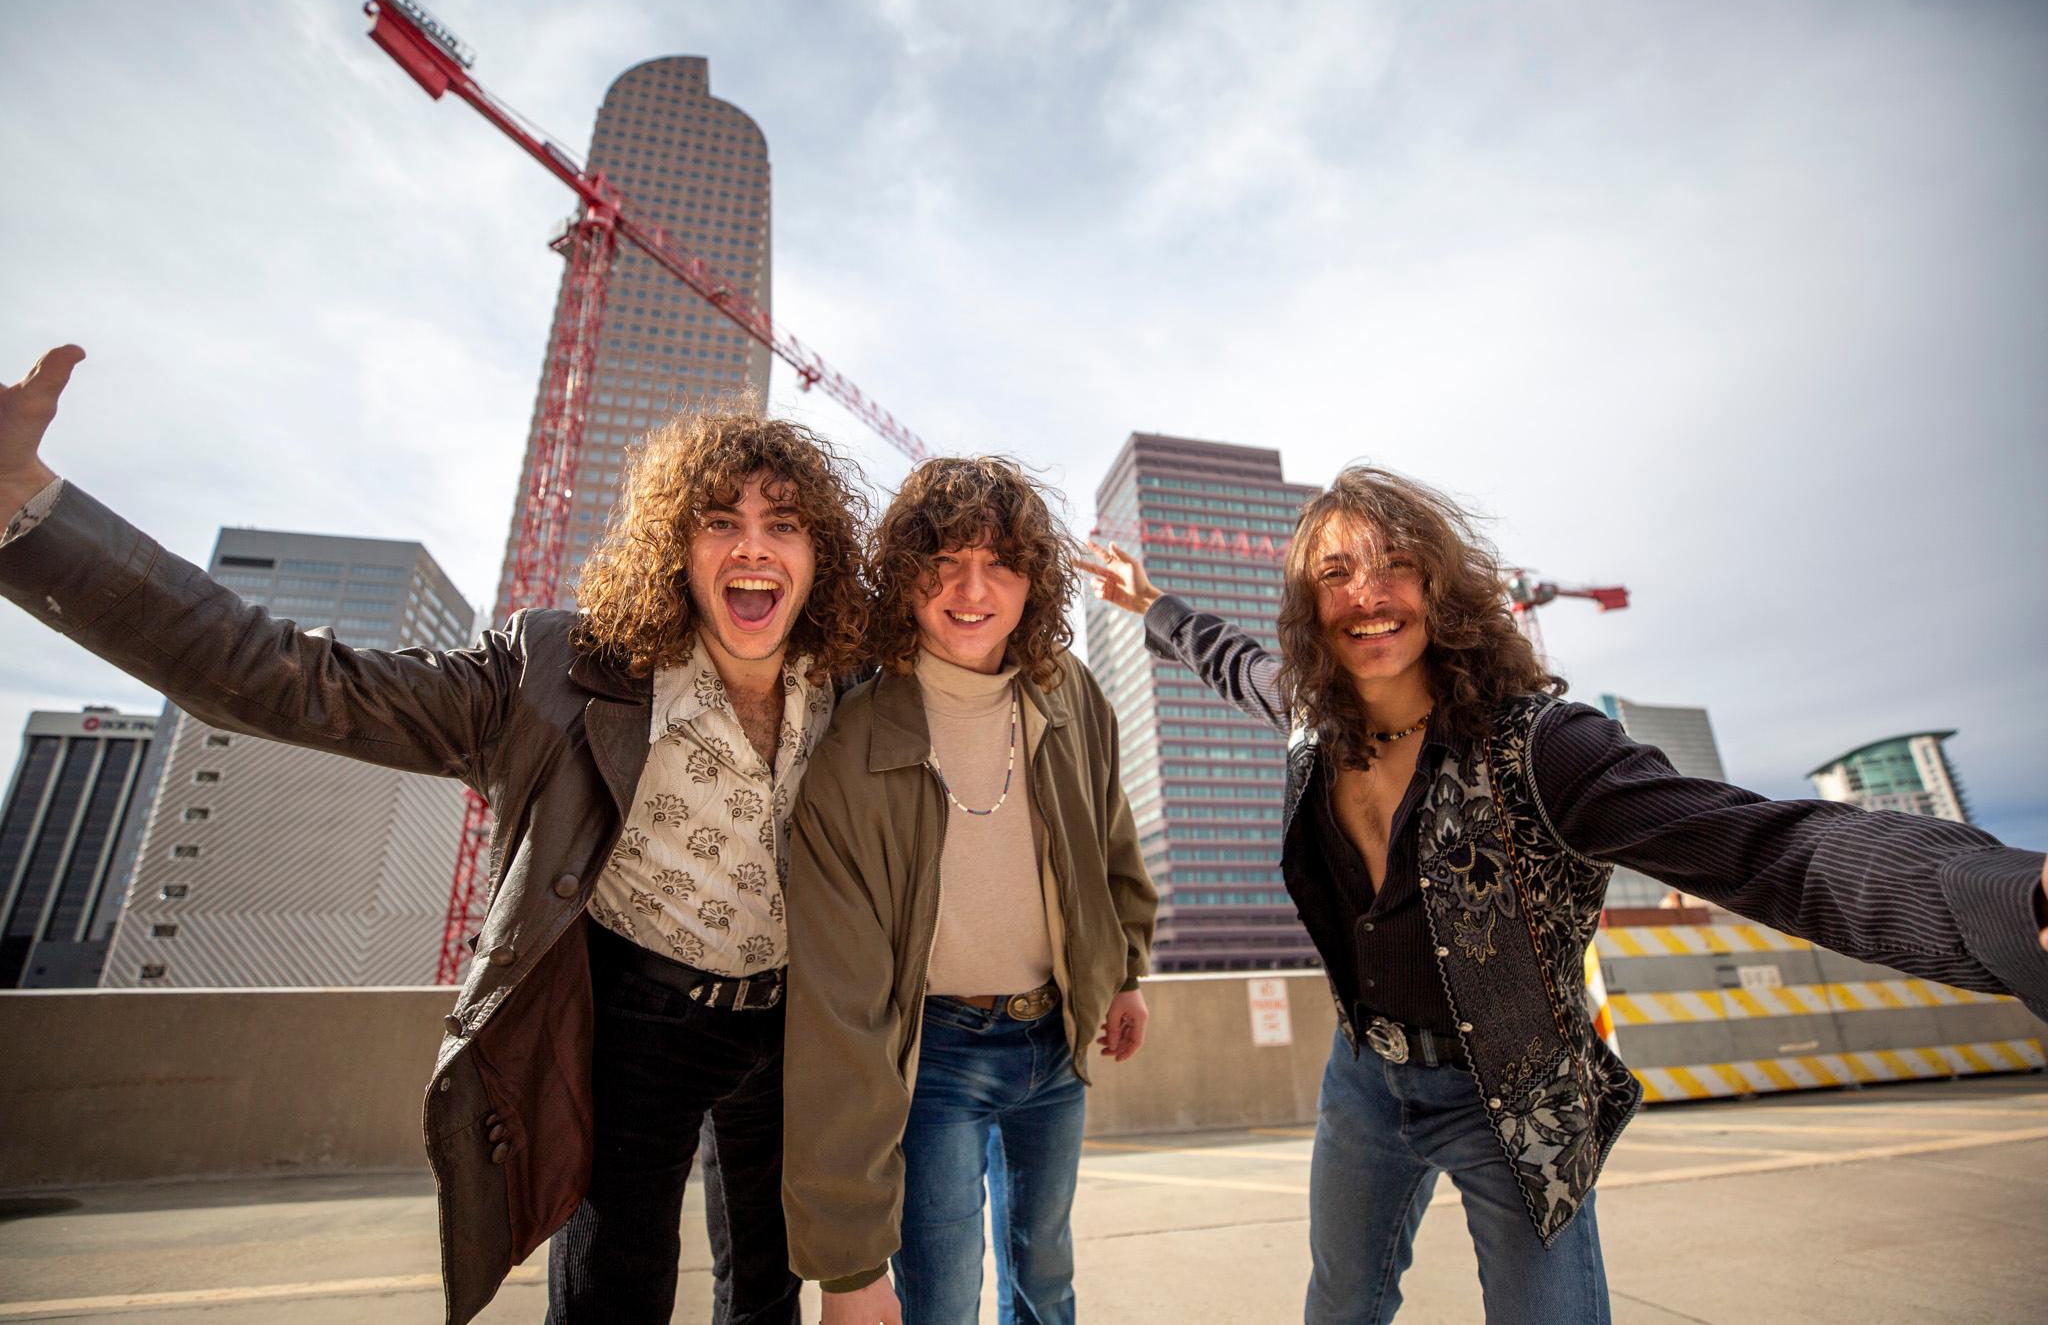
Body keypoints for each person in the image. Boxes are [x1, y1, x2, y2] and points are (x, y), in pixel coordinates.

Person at [0, 345, 873, 1325]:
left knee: (771, 1291)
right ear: (677, 547)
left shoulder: (844, 682)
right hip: (640, 1022)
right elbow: (292, 675)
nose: (753, 548)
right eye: (722, 522)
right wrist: (31, 514)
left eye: (782, 526)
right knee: (612, 1294)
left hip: (795, 1024)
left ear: (816, 553)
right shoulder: (555, 671)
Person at [1080, 464, 2048, 1324]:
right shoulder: (1309, 712)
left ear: (1440, 585)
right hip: (1363, 1077)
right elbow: (1224, 656)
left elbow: (1768, 850)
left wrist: (2013, 902)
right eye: (1332, 575)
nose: (1365, 596)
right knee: (1340, 1300)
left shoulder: (1540, 746)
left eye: (1392, 565)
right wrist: (1149, 600)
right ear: (1307, 604)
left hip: (1509, 1088)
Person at [781, 456, 1157, 1325]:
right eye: (943, 560)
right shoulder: (853, 743)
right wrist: (846, 1266)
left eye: (999, 562)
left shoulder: (1069, 695)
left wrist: (1125, 972)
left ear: (1034, 581)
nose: (971, 588)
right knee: (940, 1299)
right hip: (936, 1057)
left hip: (1056, 1038)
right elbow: (838, 1009)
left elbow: (1112, 843)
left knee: (1047, 1283)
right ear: (904, 575)